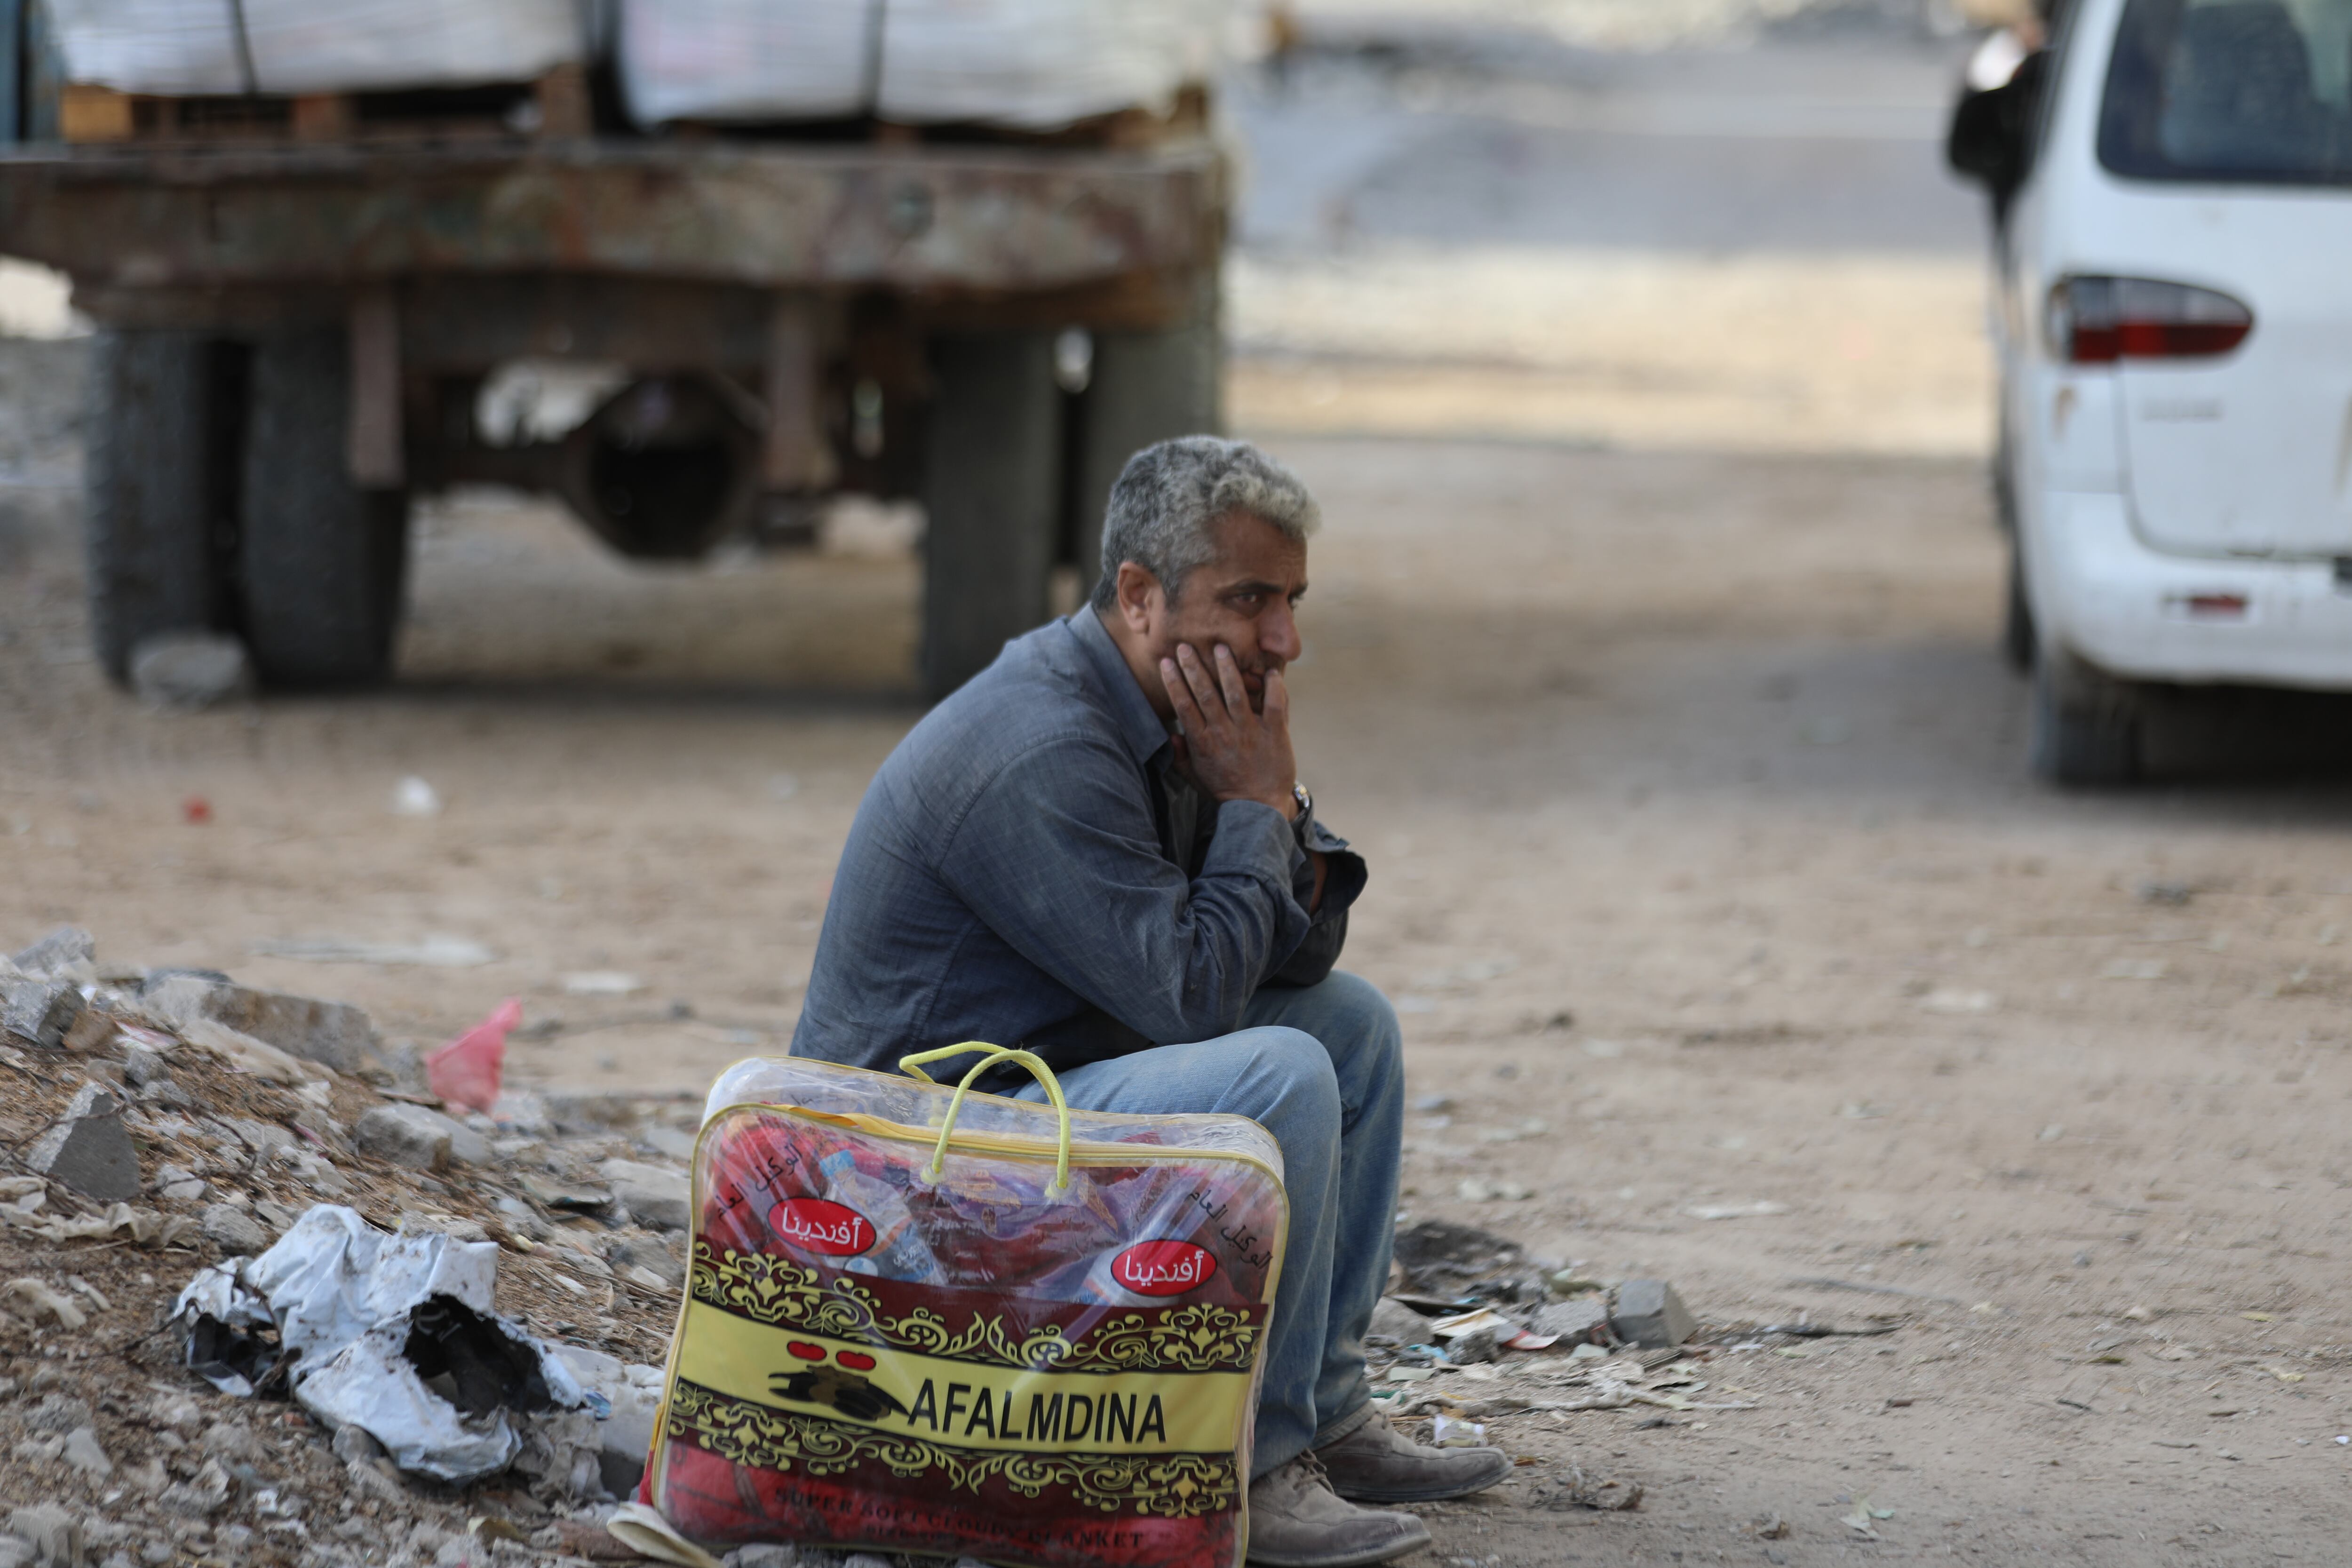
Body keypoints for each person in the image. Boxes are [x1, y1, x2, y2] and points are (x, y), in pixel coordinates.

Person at [792, 436, 1510, 1566]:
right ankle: (1257, 1471)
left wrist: (1269, 805)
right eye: (1250, 599)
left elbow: (1300, 956)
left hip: (1044, 1073)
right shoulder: (1042, 743)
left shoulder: (1175, 709)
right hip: (909, 1162)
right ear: (1137, 594)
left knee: (1351, 1028)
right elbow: (1193, 1001)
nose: (1286, 639)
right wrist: (1257, 806)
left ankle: (1326, 1410)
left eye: (1292, 600)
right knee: (1283, 1070)